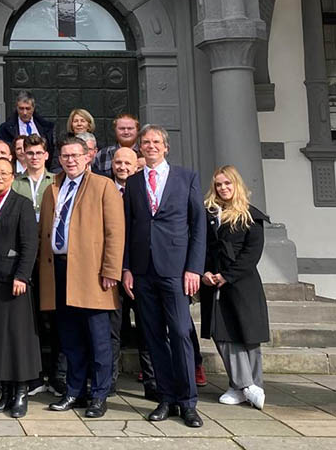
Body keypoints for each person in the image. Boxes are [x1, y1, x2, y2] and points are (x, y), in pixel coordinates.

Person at [121, 124, 206, 428]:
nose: (151, 146)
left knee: (181, 333)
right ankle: (166, 398)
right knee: (153, 334)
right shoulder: (132, 183)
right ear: (139, 148)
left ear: (166, 147)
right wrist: (127, 268)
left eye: (156, 141)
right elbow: (128, 229)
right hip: (143, 271)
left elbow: (198, 227)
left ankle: (188, 402)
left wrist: (194, 268)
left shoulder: (187, 177)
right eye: (146, 142)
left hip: (175, 270)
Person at [39, 137, 124, 419]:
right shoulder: (54, 188)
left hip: (93, 274)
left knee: (99, 339)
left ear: (88, 156)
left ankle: (99, 395)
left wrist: (111, 270)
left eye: (76, 155)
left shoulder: (103, 186)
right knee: (70, 338)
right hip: (60, 271)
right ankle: (74, 391)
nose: (70, 160)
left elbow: (115, 232)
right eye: (65, 156)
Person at [0, 157, 41, 418]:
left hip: (13, 280)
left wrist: (22, 276)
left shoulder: (21, 204)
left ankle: (21, 391)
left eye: (4, 173)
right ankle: (4, 391)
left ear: (12, 177)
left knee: (17, 338)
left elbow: (29, 244)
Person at [201, 165, 270, 410]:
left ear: (236, 184)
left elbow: (252, 254)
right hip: (214, 282)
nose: (223, 188)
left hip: (242, 284)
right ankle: (244, 385)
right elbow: (204, 247)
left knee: (248, 336)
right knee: (224, 335)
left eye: (227, 183)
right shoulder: (209, 214)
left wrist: (226, 276)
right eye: (219, 184)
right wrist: (206, 273)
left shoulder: (251, 216)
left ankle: (249, 386)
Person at [11, 134, 66, 397]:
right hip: (23, 259)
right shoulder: (15, 183)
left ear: (46, 155)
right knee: (28, 319)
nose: (33, 157)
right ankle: (32, 375)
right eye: (29, 153)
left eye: (38, 153)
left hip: (50, 258)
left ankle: (57, 375)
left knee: (54, 318)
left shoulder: (57, 182)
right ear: (23, 155)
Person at [106, 147, 158, 400]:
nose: (122, 167)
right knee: (112, 330)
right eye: (118, 162)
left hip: (142, 271)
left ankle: (152, 383)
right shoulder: (105, 188)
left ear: (136, 166)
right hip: (111, 272)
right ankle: (109, 382)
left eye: (127, 162)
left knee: (147, 328)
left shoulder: (145, 190)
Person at [0, 91, 56, 170]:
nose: (24, 112)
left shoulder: (46, 127)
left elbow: (52, 151)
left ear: (33, 108)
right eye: (21, 108)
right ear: (16, 108)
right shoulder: (6, 129)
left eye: (28, 108)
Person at [92, 113, 142, 178]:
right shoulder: (102, 154)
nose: (126, 132)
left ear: (137, 130)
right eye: (122, 128)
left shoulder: (145, 154)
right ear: (115, 130)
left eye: (130, 128)